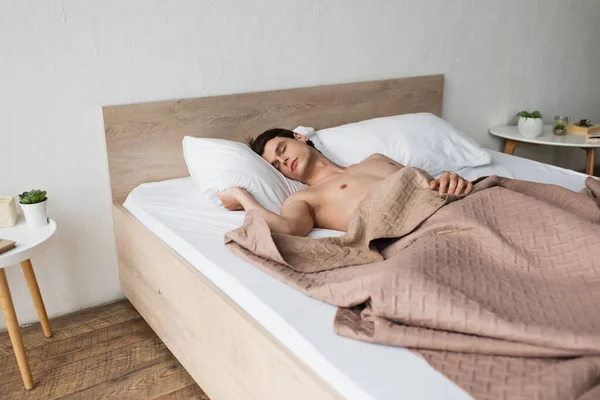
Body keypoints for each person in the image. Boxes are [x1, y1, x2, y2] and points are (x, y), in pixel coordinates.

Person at [217, 128, 473, 236]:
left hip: (459, 207)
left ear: (299, 137)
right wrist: (241, 196)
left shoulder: (377, 159)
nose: (283, 161)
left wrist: (450, 180)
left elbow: (430, 187)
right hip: (421, 232)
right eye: (275, 165)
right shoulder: (304, 199)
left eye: (282, 149)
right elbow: (286, 229)